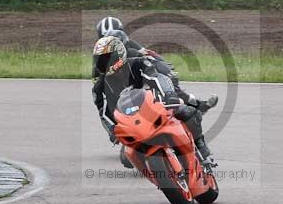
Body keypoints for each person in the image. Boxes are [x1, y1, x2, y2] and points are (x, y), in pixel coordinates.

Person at [92, 36, 218, 166]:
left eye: (106, 59)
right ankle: (157, 171)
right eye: (100, 61)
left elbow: (156, 77)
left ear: (118, 55)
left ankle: (201, 148)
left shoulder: (138, 64)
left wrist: (169, 95)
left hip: (156, 107)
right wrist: (113, 129)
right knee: (127, 159)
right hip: (133, 124)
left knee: (189, 113)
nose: (103, 64)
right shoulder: (99, 88)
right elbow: (104, 114)